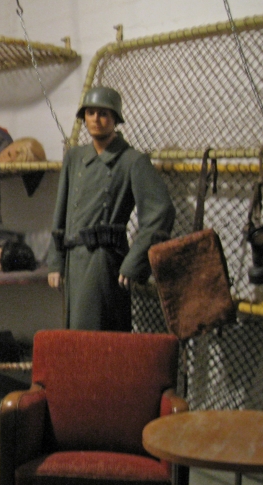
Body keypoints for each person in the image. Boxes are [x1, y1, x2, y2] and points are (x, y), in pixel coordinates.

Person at [46, 87, 175, 331]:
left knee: (96, 332)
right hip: (74, 262)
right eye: (90, 113)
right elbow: (61, 212)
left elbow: (160, 212)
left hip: (104, 262)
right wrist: (56, 260)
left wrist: (134, 261)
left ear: (115, 119)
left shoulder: (132, 160)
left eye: (103, 113)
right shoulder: (75, 158)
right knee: (75, 334)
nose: (96, 119)